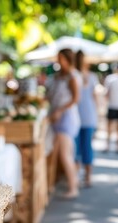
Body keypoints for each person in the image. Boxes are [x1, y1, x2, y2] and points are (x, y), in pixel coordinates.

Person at [46, 49, 81, 199]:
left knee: (65, 154)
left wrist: (60, 110)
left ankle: (73, 187)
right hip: (57, 117)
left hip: (66, 118)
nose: (59, 62)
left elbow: (75, 99)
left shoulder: (72, 76)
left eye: (61, 59)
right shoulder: (58, 76)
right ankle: (69, 183)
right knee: (60, 153)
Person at [74, 51, 99, 188]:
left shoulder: (73, 76)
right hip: (87, 116)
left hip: (76, 116)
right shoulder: (90, 77)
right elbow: (94, 98)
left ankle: (77, 178)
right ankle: (87, 177)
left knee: (77, 149)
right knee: (86, 147)